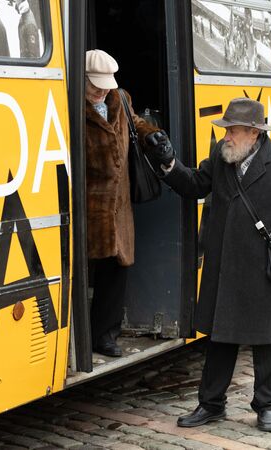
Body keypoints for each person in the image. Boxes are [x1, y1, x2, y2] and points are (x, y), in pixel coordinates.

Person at [145, 97, 271, 432]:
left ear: (254, 134)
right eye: (226, 130)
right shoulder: (221, 157)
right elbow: (196, 184)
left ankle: (266, 405)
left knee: (267, 340)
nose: (226, 136)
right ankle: (211, 404)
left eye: (234, 131)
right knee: (220, 338)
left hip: (262, 269)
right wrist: (169, 163)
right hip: (224, 267)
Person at [85, 49, 163, 357]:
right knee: (84, 268)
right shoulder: (70, 103)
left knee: (115, 270)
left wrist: (152, 136)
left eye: (105, 84)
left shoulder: (120, 98)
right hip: (88, 202)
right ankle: (81, 333)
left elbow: (136, 124)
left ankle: (106, 335)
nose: (101, 91)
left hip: (117, 204)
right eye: (95, 85)